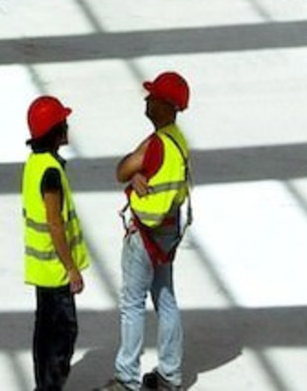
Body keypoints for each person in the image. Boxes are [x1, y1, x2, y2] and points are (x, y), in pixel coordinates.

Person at [116, 74, 192, 391]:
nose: (146, 101)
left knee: (132, 304)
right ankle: (170, 375)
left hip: (144, 234)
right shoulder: (178, 140)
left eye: (152, 97)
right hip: (168, 232)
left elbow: (121, 169)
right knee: (165, 298)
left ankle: (127, 379)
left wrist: (132, 178)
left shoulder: (155, 143)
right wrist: (137, 177)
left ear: (165, 106)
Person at [20, 95, 89, 391]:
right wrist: (72, 268)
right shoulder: (50, 172)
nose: (68, 125)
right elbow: (54, 224)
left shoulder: (35, 163)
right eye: (64, 122)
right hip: (55, 269)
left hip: (42, 268)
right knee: (62, 335)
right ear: (56, 131)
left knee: (45, 334)